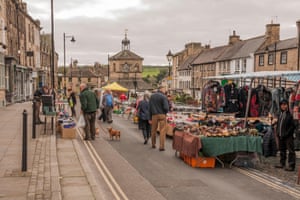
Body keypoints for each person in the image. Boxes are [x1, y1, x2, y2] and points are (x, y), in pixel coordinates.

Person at [275, 99, 296, 171]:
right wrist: (278, 132)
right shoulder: (280, 114)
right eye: (282, 105)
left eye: (285, 104)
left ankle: (291, 165)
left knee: (291, 151)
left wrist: (287, 133)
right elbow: (279, 124)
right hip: (281, 135)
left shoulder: (290, 115)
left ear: (287, 105)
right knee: (282, 150)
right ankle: (282, 163)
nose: (283, 106)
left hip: (288, 136)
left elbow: (293, 126)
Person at [149, 85, 169, 151]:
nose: (165, 90)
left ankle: (153, 144)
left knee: (153, 130)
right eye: (164, 89)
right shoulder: (164, 97)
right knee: (162, 131)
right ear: (161, 89)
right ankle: (161, 146)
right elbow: (166, 107)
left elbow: (149, 108)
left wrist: (149, 118)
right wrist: (165, 112)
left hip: (154, 115)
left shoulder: (152, 96)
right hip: (162, 115)